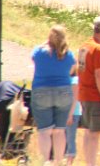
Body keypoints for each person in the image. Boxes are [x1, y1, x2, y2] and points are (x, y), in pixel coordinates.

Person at [31, 24, 77, 165]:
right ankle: (58, 161)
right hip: (63, 91)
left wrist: (45, 43)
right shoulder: (68, 55)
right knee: (59, 131)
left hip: (41, 90)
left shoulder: (39, 52)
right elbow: (72, 71)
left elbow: (32, 58)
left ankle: (46, 161)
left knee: (45, 131)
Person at [78, 16, 100, 166]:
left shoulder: (84, 46)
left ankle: (88, 162)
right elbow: (99, 75)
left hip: (83, 93)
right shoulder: (99, 49)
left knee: (87, 130)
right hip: (95, 95)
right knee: (94, 133)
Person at [65, 64, 82, 165]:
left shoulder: (75, 80)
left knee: (70, 137)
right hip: (63, 112)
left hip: (73, 112)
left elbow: (75, 98)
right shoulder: (64, 79)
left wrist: (70, 114)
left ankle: (70, 160)